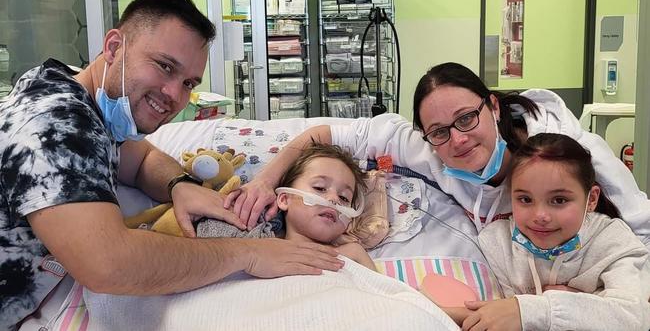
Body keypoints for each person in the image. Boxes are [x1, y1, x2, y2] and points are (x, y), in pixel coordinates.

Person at [0, 0, 342, 330]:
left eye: (188, 82)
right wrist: (247, 253)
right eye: (164, 67)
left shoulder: (76, 93)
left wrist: (180, 185)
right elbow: (108, 264)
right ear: (114, 47)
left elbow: (140, 157)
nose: (174, 95)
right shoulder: (54, 122)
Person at [227, 62, 650, 248]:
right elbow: (322, 132)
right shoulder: (424, 148)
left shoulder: (568, 154)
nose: (459, 140)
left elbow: (643, 234)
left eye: (468, 118)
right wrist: (266, 178)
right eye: (440, 132)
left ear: (494, 107)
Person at [457, 133, 650, 331]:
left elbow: (635, 318)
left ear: (591, 199)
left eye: (559, 200)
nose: (540, 216)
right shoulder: (497, 243)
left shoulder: (614, 243)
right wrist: (593, 304)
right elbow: (492, 314)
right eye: (525, 199)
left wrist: (532, 309)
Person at [274, 142, 376, 270]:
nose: (334, 200)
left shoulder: (353, 254)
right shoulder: (262, 251)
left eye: (344, 197)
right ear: (284, 199)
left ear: (349, 219)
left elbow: (382, 288)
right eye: (320, 188)